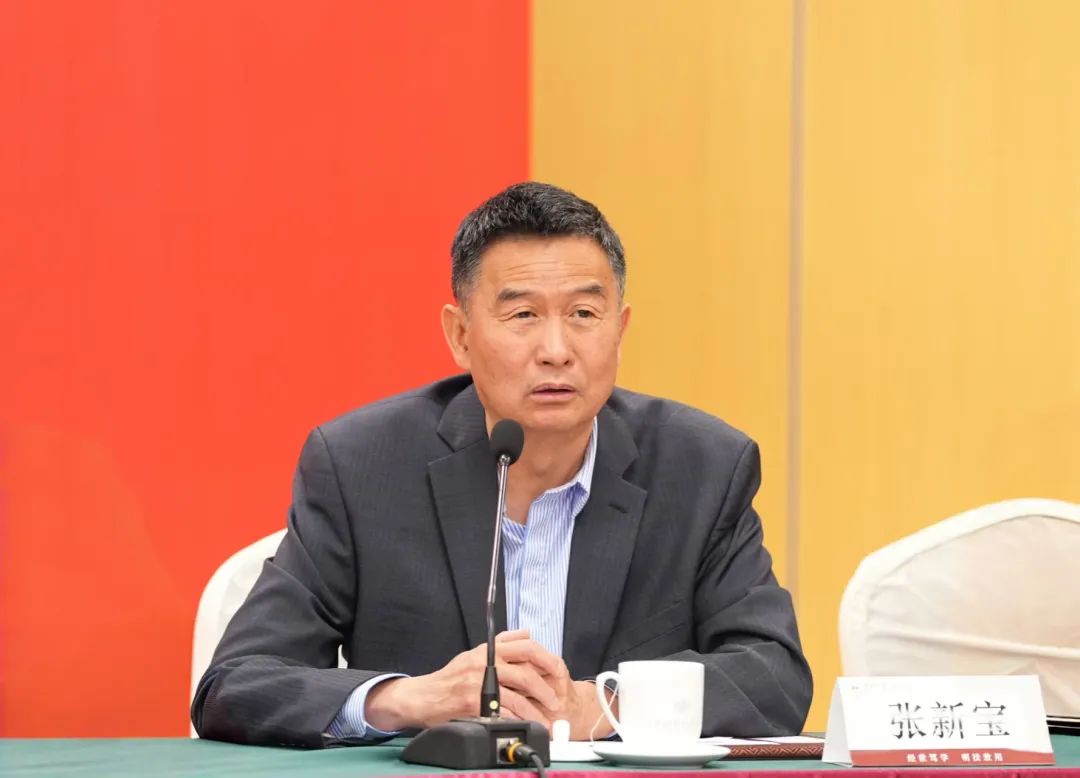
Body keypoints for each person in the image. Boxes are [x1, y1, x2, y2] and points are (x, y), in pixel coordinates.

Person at [191, 182, 812, 748]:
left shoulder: (701, 468)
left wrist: (602, 705)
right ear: (460, 335)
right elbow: (235, 685)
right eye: (522, 316)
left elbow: (774, 678)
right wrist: (410, 699)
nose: (556, 350)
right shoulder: (363, 467)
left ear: (620, 330)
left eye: (583, 314)